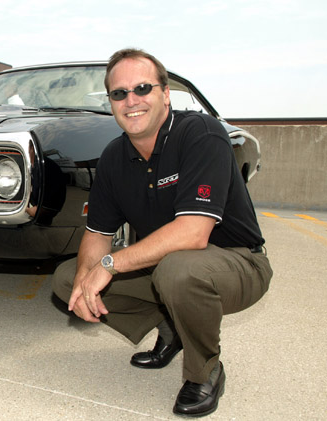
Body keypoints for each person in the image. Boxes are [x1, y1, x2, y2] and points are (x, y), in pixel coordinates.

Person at [51, 48, 272, 417]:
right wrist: (86, 281)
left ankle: (206, 370)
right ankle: (172, 327)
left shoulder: (200, 134)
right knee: (66, 280)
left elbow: (193, 234)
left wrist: (108, 265)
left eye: (142, 88)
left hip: (239, 261)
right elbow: (97, 233)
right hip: (167, 266)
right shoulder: (113, 158)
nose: (131, 100)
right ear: (111, 103)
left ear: (165, 94)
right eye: (119, 94)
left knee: (178, 271)